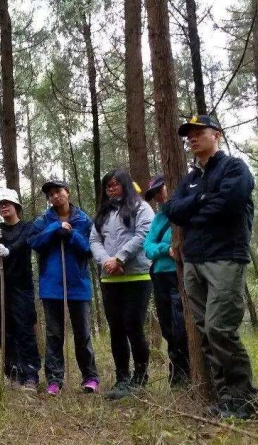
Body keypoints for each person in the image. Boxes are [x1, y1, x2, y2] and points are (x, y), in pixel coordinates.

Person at [162, 114, 258, 419]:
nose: (191, 138)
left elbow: (229, 205)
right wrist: (202, 201)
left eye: (198, 132)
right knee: (204, 331)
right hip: (193, 261)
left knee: (220, 328)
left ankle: (246, 399)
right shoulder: (190, 179)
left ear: (216, 134)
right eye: (187, 134)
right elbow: (172, 210)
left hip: (225, 257)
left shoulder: (235, 168)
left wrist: (195, 209)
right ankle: (226, 397)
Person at [28, 179, 99, 395]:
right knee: (54, 335)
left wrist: (71, 235)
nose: (55, 196)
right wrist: (53, 230)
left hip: (78, 285)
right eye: (50, 194)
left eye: (58, 191)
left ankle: (90, 377)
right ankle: (54, 380)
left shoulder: (83, 220)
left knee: (83, 333)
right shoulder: (43, 220)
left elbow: (89, 249)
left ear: (67, 192)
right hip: (52, 286)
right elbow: (34, 243)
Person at [90, 170, 154, 400]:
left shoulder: (142, 207)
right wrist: (106, 261)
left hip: (136, 276)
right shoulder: (103, 213)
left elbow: (144, 233)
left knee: (133, 326)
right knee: (116, 329)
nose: (111, 188)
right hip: (110, 278)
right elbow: (95, 240)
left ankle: (140, 377)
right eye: (108, 185)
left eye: (116, 184)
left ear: (126, 185)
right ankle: (122, 377)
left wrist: (120, 258)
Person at [0, 188, 41, 391]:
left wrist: (10, 249)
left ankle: (30, 375)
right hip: (0, 287)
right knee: (3, 329)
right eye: (0, 204)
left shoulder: (27, 227)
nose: (3, 207)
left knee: (24, 329)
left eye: (7, 203)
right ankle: (12, 372)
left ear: (16, 206)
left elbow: (25, 242)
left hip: (22, 287)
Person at [143, 174, 190, 388]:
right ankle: (177, 375)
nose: (159, 196)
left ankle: (188, 371)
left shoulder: (183, 212)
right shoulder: (158, 219)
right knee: (168, 327)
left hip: (180, 275)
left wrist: (175, 250)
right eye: (155, 193)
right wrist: (165, 249)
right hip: (160, 276)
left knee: (181, 325)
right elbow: (148, 248)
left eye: (161, 189)